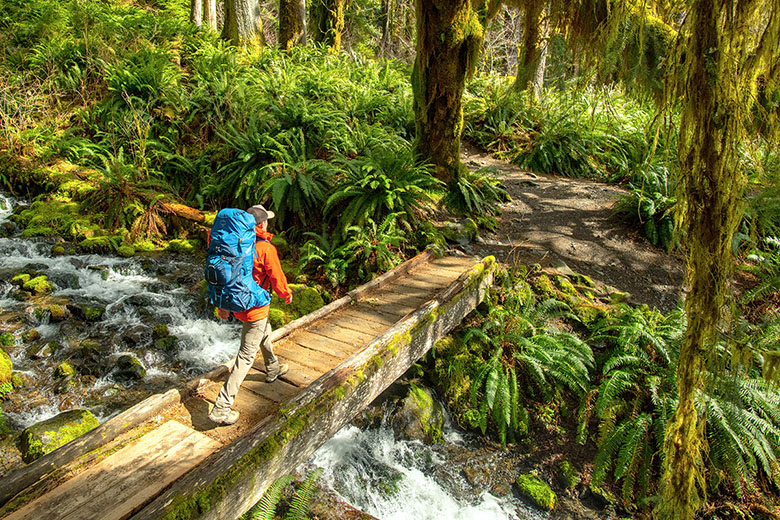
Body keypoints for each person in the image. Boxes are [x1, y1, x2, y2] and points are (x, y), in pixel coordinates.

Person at [208, 204, 293, 426]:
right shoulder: (265, 248)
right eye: (266, 220)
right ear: (262, 224)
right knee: (246, 356)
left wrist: (222, 304)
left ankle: (272, 368)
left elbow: (223, 277)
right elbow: (276, 276)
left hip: (237, 304)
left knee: (263, 332)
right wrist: (286, 294)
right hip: (256, 307)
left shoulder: (232, 244)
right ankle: (222, 407)